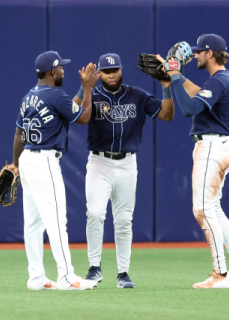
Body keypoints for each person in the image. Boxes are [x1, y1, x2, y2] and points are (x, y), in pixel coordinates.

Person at [161, 34, 229, 288]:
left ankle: (220, 274)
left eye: (199, 52)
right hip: (218, 144)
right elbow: (196, 94)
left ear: (210, 54)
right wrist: (173, 77)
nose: (195, 55)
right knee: (213, 209)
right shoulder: (222, 79)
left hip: (212, 145)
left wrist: (175, 74)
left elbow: (189, 109)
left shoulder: (219, 80)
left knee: (202, 210)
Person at [72, 53, 174, 288]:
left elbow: (167, 115)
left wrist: (167, 88)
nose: (110, 75)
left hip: (128, 163)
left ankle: (123, 273)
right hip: (99, 162)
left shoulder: (137, 95)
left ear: (121, 70)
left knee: (124, 220)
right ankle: (94, 268)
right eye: (106, 71)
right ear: (99, 73)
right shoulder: (93, 93)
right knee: (95, 213)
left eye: (114, 70)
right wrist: (83, 88)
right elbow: (74, 113)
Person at [6, 51, 101, 291]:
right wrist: (88, 88)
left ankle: (36, 278)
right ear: (52, 72)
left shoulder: (28, 97)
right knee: (57, 220)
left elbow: (19, 134)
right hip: (44, 161)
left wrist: (16, 164)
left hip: (27, 158)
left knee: (33, 224)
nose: (63, 71)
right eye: (60, 68)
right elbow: (84, 117)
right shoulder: (56, 95)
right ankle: (67, 277)